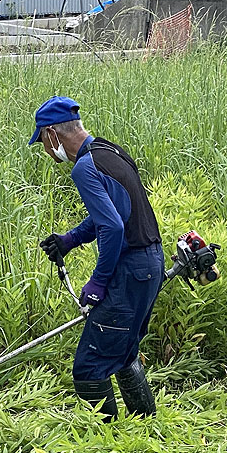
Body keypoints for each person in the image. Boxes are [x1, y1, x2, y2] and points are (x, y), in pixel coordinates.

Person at [30, 96, 164, 421]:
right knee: (123, 353)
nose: (46, 152)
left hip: (130, 271)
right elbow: (116, 212)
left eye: (43, 143)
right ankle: (144, 431)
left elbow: (113, 226)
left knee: (89, 368)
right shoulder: (110, 151)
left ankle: (108, 444)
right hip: (151, 264)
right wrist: (71, 239)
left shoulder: (85, 167)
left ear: (52, 135)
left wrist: (98, 281)